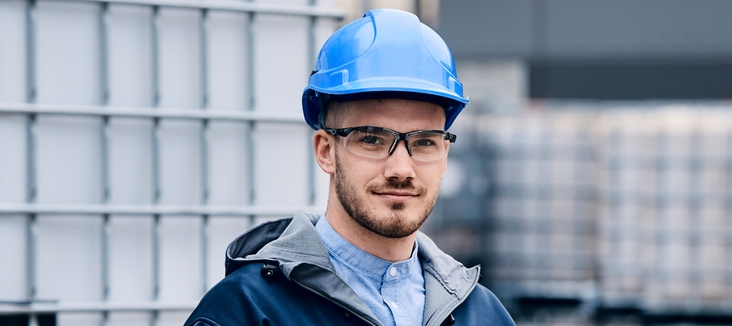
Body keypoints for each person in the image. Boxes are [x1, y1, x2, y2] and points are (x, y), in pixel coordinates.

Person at [185, 9, 515, 326]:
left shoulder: (485, 315)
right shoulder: (245, 311)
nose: (401, 168)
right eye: (371, 139)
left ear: (444, 154)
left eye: (424, 142)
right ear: (326, 150)